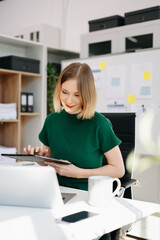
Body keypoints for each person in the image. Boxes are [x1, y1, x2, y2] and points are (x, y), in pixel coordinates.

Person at [24, 62, 125, 191]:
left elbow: (118, 170)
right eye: (65, 92)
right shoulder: (51, 120)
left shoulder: (99, 123)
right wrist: (39, 157)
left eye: (77, 95)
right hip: (57, 192)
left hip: (89, 193)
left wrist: (79, 173)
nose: (69, 100)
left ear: (87, 95)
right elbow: (50, 163)